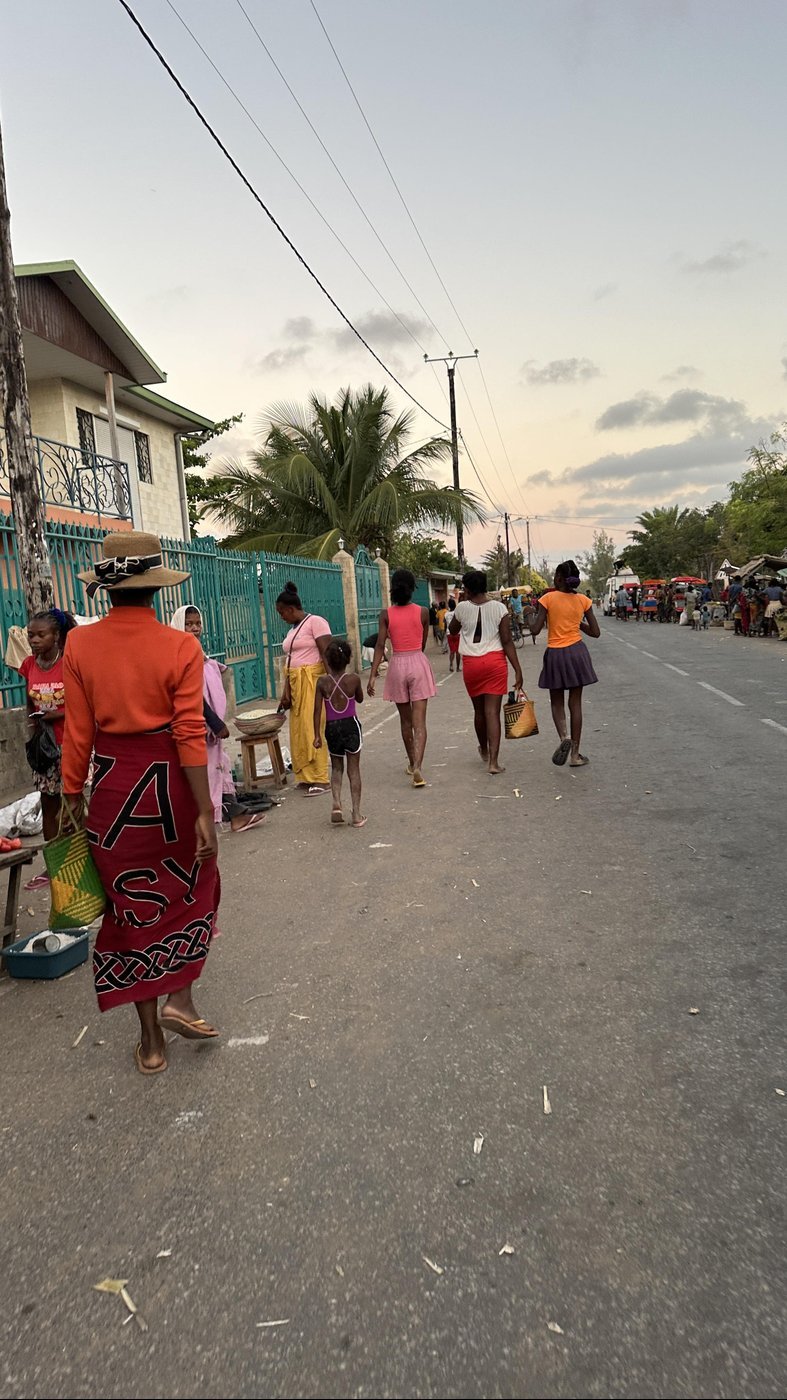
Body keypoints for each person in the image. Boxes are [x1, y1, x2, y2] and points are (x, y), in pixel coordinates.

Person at [61, 530, 220, 1075]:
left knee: (129, 908)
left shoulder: (78, 646)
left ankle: (151, 1042)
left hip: (111, 792)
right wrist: (205, 812)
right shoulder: (181, 647)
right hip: (171, 791)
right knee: (194, 887)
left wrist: (71, 797)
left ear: (106, 588)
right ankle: (181, 996)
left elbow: (77, 733)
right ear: (156, 587)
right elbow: (189, 733)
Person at [171, 604, 264, 833]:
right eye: (189, 624)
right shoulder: (178, 654)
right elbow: (193, 694)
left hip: (209, 728)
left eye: (198, 623)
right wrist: (214, 722)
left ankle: (234, 815)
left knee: (219, 766)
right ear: (178, 625)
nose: (195, 628)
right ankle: (215, 819)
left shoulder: (198, 652)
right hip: (196, 724)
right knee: (207, 771)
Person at [20, 609, 77, 888]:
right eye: (31, 635)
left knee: (73, 806)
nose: (34, 640)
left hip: (70, 743)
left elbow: (83, 702)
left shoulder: (69, 663)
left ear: (56, 636)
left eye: (41, 635)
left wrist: (57, 715)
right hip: (45, 747)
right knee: (48, 803)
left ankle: (80, 863)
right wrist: (33, 729)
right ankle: (54, 865)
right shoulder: (29, 665)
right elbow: (29, 701)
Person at [450, 569, 523, 775]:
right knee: (492, 712)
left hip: (471, 664)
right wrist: (517, 669)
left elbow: (453, 630)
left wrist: (462, 604)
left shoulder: (462, 608)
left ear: (468, 589)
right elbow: (507, 641)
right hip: (495, 663)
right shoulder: (500, 608)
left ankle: (483, 748)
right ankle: (493, 762)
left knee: (479, 712)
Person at [527, 559, 600, 768]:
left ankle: (563, 737)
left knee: (557, 702)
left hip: (556, 654)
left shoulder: (547, 598)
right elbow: (595, 632)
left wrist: (529, 614)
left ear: (559, 578)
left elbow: (534, 629)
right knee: (575, 704)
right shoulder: (583, 600)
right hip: (577, 652)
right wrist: (577, 623)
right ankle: (575, 755)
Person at [368, 568, 436, 788]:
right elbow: (422, 643)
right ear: (413, 588)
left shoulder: (385, 614)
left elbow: (380, 645)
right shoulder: (423, 612)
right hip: (417, 662)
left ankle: (410, 761)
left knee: (405, 721)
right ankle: (417, 766)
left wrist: (372, 675)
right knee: (420, 722)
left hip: (397, 665)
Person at [277, 582, 332, 793]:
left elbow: (327, 653)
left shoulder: (316, 622)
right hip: (295, 684)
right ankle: (306, 776)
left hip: (313, 684)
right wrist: (286, 692)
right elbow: (291, 661)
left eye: (282, 612)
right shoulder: (292, 630)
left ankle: (320, 777)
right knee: (299, 731)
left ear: (291, 609)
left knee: (313, 728)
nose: (281, 617)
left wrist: (333, 684)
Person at [313, 638, 365, 827]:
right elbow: (360, 699)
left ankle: (336, 803)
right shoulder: (353, 680)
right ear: (348, 659)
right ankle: (356, 815)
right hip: (351, 726)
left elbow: (317, 711)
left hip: (332, 728)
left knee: (336, 768)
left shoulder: (322, 682)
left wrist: (317, 735)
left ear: (327, 660)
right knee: (354, 770)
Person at [445, 597, 462, 673]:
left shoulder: (446, 614)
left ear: (449, 605)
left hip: (449, 633)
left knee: (452, 651)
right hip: (457, 633)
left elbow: (445, 624)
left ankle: (451, 664)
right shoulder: (457, 612)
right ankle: (458, 667)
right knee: (458, 651)